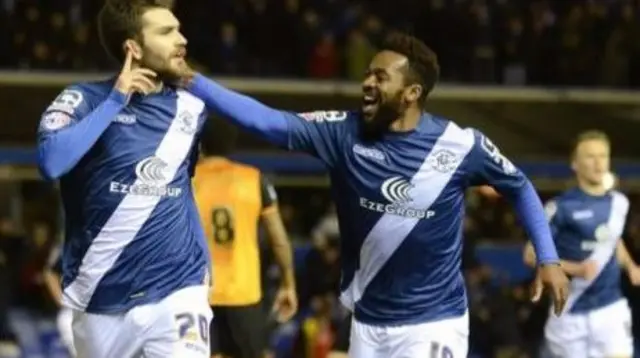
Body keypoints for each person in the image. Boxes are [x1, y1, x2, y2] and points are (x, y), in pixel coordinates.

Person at [176, 31, 569, 357]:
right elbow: (268, 122)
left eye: (381, 77)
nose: (367, 82)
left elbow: (518, 185)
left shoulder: (460, 145)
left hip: (433, 324)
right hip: (366, 323)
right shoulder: (341, 133)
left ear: (411, 92)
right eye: (368, 74)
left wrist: (548, 256)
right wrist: (192, 80)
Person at [35, 0, 212, 357]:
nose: (182, 39)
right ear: (133, 47)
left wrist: (204, 261)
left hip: (178, 288)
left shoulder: (192, 109)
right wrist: (116, 99)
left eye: (178, 28)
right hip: (99, 295)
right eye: (166, 32)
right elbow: (51, 163)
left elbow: (180, 187)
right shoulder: (82, 98)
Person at [523, 130, 640, 358]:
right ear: (575, 163)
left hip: (610, 309)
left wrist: (631, 266)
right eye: (590, 156)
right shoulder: (560, 207)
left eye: (603, 156)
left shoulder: (619, 203)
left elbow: (612, 242)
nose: (598, 163)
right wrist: (574, 268)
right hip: (569, 313)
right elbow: (529, 254)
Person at [192, 119, 298, 358]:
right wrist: (288, 284)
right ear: (232, 144)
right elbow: (279, 239)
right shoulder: (253, 178)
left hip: (197, 292)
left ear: (200, 143)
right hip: (243, 291)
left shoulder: (187, 181)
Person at [42, 242, 75, 357]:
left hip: (114, 308)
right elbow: (50, 272)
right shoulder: (71, 242)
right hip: (74, 310)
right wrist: (62, 301)